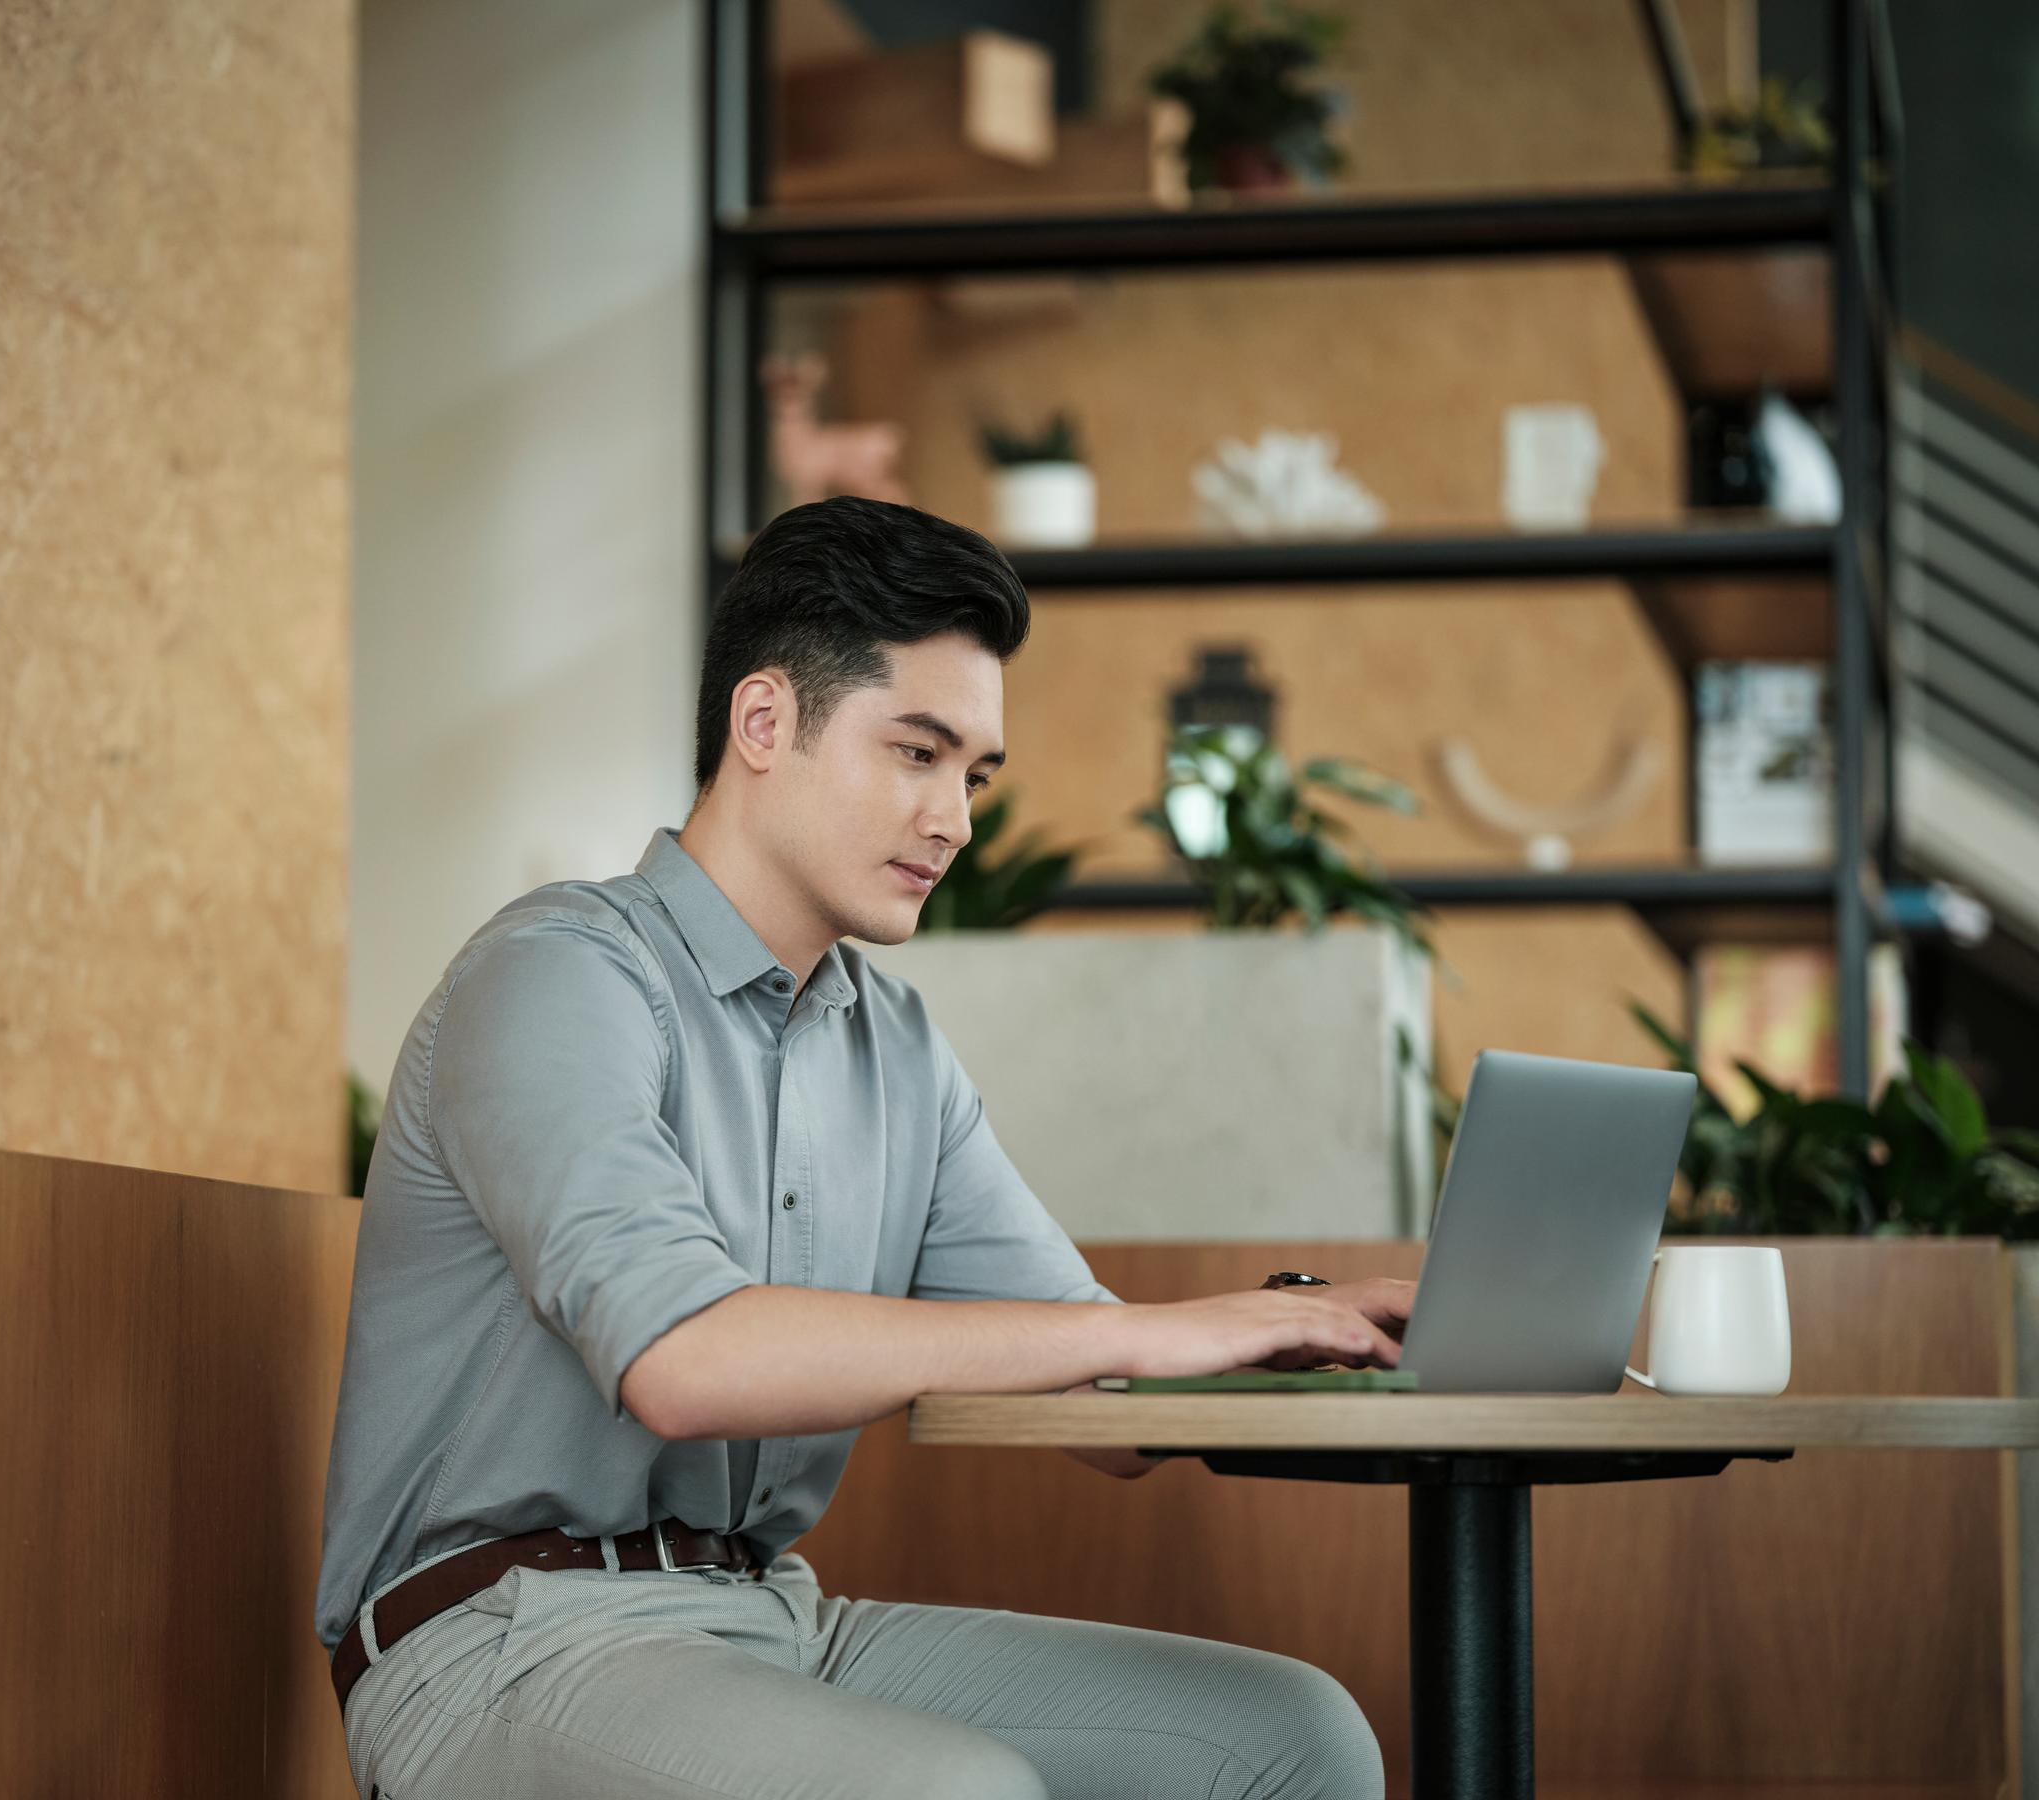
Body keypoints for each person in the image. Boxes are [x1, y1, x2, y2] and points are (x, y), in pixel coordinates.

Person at [315, 495, 1415, 1799]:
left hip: (766, 1618)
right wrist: (1142, 1332)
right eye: (917, 753)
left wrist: (1289, 1335)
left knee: (1296, 1736)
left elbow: (1098, 1409)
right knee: (951, 1795)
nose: (955, 818)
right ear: (764, 723)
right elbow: (685, 1360)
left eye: (976, 775)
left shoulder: (893, 1049)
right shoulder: (558, 976)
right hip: (493, 1649)